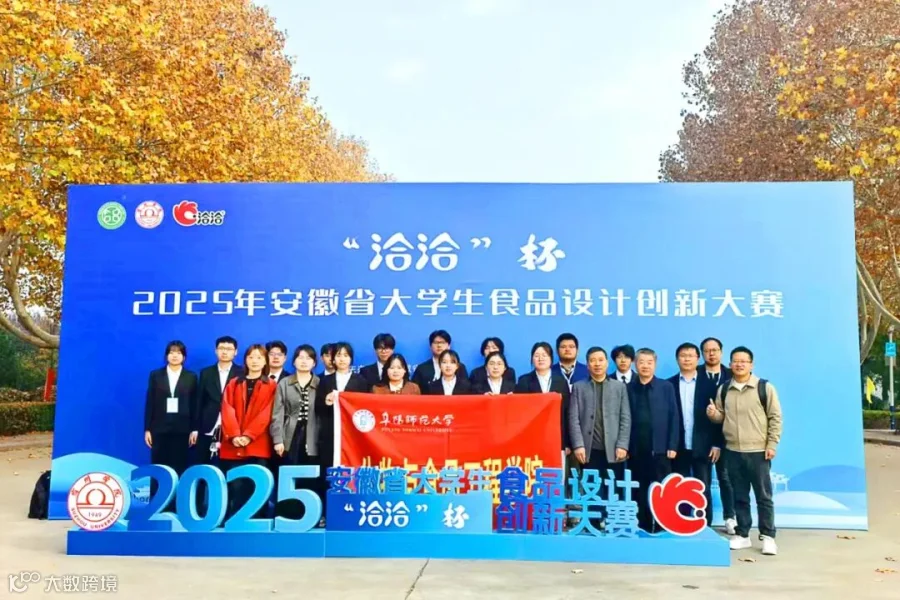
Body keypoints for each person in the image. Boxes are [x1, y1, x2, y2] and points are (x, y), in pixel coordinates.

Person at [706, 346, 782, 556]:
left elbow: (775, 418)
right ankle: (743, 534)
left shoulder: (764, 388)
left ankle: (768, 536)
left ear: (751, 364)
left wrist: (772, 444)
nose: (739, 364)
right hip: (732, 450)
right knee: (739, 495)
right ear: (730, 364)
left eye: (743, 361)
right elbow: (721, 417)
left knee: (763, 496)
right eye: (735, 361)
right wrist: (713, 414)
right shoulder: (724, 389)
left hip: (758, 451)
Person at [220, 344, 277, 519]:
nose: (255, 361)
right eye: (251, 357)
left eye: (259, 357)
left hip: (257, 444)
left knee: (257, 487)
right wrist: (235, 435)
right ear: (245, 360)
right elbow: (227, 409)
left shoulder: (272, 385)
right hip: (233, 444)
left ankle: (257, 522)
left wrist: (248, 435)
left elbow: (267, 413)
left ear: (265, 361)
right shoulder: (234, 383)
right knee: (235, 486)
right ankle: (234, 521)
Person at [315, 342, 369, 524]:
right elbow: (317, 408)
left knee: (353, 472)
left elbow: (365, 408)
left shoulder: (360, 381)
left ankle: (353, 511)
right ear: (332, 359)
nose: (342, 359)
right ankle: (327, 513)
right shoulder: (325, 381)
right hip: (331, 435)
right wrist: (326, 402)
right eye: (338, 355)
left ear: (351, 359)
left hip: (354, 436)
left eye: (345, 355)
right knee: (329, 473)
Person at [667, 342, 720, 526]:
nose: (687, 359)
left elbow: (718, 417)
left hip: (703, 445)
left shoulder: (710, 384)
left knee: (703, 486)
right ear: (677, 359)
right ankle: (680, 523)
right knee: (678, 487)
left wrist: (716, 443)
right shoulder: (669, 384)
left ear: (698, 359)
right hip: (678, 446)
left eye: (691, 356)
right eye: (683, 356)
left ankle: (704, 524)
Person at [143, 340, 199, 512]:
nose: (175, 356)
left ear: (184, 357)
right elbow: (150, 402)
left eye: (178, 353)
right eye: (171, 352)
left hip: (183, 429)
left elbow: (195, 404)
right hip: (159, 428)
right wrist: (147, 428)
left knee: (179, 466)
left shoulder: (191, 377)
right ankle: (156, 504)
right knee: (158, 467)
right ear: (166, 355)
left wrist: (194, 429)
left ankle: (176, 506)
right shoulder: (156, 375)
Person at [627, 348, 678, 532]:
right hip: (637, 449)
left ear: (655, 364)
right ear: (635, 364)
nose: (645, 366)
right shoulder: (628, 388)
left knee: (661, 489)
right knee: (639, 489)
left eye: (649, 362)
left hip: (661, 449)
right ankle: (643, 525)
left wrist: (672, 445)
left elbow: (674, 416)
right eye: (641, 362)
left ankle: (662, 526)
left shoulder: (666, 387)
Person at [270, 345, 320, 520]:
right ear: (293, 361)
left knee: (311, 475)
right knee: (288, 473)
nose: (304, 361)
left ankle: (310, 515)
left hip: (313, 435)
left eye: (308, 358)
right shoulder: (284, 383)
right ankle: (287, 515)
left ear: (314, 363)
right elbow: (277, 414)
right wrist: (278, 440)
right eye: (300, 357)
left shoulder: (320, 383)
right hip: (290, 434)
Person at [569, 347, 631, 480]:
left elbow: (625, 418)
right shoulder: (578, 387)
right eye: (593, 360)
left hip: (614, 449)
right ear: (587, 365)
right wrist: (578, 445)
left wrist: (622, 445)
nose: (597, 364)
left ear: (607, 363)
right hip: (588, 450)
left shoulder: (619, 387)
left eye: (601, 360)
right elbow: (573, 419)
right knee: (591, 489)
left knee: (613, 489)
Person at [700, 336, 735, 533]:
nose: (711, 354)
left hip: (727, 438)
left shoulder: (732, 375)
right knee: (703, 482)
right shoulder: (695, 374)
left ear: (721, 352)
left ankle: (730, 517)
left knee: (726, 479)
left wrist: (718, 443)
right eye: (707, 350)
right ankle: (705, 521)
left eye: (714, 350)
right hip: (701, 438)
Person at [516, 342, 572, 453]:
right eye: (537, 356)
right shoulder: (524, 381)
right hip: (531, 437)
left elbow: (566, 412)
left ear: (551, 358)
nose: (540, 359)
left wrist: (566, 443)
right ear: (532, 359)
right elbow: (519, 412)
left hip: (556, 438)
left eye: (544, 355)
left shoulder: (561, 381)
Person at [195, 336, 241, 465]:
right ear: (216, 350)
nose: (225, 352)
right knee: (204, 464)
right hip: (208, 424)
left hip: (232, 427)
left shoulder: (241, 373)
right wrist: (195, 428)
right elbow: (199, 401)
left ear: (235, 352)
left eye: (229, 349)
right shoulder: (206, 373)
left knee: (228, 466)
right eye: (221, 348)